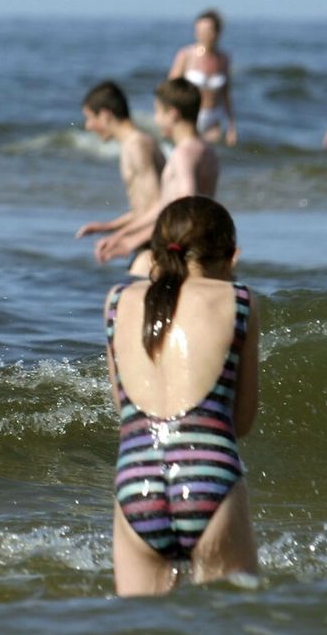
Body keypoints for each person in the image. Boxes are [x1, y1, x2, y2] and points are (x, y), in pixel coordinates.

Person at [102, 196, 260, 596]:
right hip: (208, 476)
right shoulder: (240, 300)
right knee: (233, 627)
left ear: (154, 252)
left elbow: (123, 412)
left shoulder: (117, 301)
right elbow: (241, 422)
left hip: (136, 480)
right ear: (231, 256)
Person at [93, 78, 219, 275]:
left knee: (131, 293)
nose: (156, 119)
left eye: (158, 112)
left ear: (173, 114)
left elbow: (186, 206)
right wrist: (120, 234)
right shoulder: (207, 152)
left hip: (179, 253)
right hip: (199, 249)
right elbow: (165, 206)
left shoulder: (183, 155)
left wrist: (134, 240)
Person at [74, 81, 165, 248]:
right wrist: (106, 227)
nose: (87, 126)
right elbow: (143, 209)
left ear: (105, 115)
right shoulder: (133, 144)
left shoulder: (137, 145)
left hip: (155, 242)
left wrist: (119, 237)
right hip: (147, 238)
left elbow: (158, 206)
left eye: (89, 118)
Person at [168, 9, 237, 145]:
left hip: (214, 117)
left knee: (210, 158)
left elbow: (226, 94)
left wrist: (231, 125)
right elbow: (170, 89)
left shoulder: (224, 59)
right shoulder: (186, 55)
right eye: (199, 30)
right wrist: (170, 116)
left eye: (207, 30)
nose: (202, 34)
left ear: (217, 33)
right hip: (189, 117)